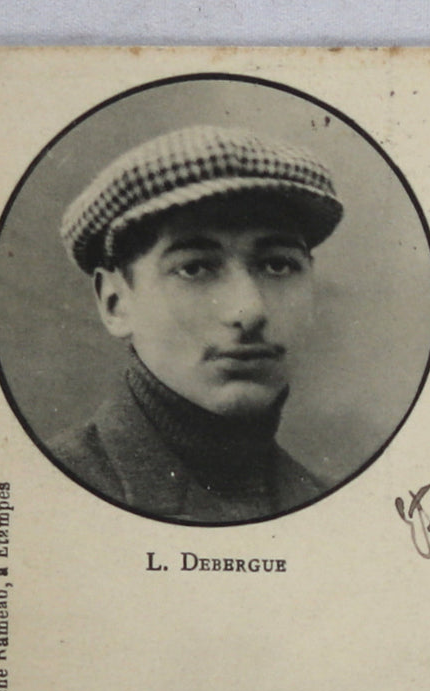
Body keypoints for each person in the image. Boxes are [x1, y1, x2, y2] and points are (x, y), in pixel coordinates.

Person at [50, 125, 343, 523]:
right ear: (115, 302)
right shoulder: (51, 493)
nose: (249, 310)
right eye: (195, 268)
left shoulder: (331, 503)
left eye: (278, 264)